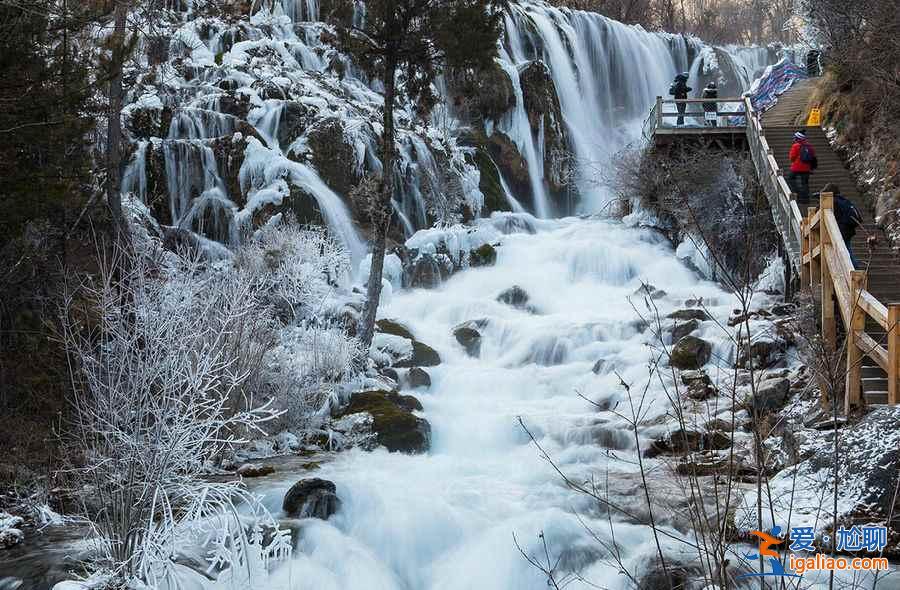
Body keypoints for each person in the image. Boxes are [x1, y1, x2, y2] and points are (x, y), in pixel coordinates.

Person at [823, 183, 864, 268]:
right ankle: (854, 268)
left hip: (841, 230)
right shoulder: (843, 200)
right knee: (847, 250)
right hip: (848, 230)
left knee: (845, 251)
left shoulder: (833, 202)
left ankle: (854, 269)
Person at [788, 131, 816, 206]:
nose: (794, 139)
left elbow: (792, 157)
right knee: (805, 183)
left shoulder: (796, 146)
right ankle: (805, 199)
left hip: (796, 168)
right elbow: (812, 156)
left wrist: (794, 161)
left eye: (795, 138)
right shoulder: (809, 146)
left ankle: (798, 193)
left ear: (797, 138)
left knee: (790, 179)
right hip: (807, 168)